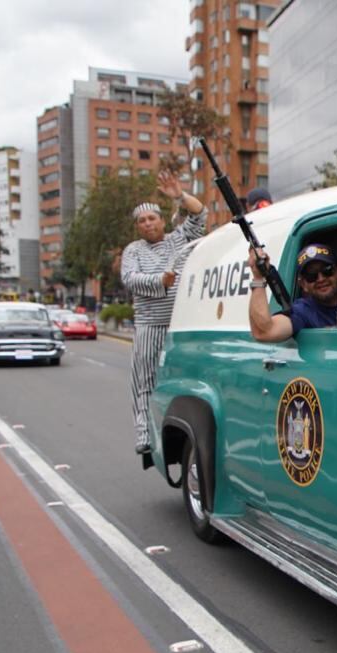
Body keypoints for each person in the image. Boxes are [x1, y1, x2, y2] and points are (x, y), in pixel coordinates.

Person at [121, 170, 207, 455]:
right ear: (138, 227)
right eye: (142, 221)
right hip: (150, 325)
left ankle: (178, 429)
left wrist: (179, 196)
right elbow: (130, 279)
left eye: (152, 218)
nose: (148, 224)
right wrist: (160, 280)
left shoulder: (177, 239)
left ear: (161, 220)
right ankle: (144, 434)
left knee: (183, 380)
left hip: (180, 326)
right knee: (145, 380)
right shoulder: (133, 250)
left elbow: (200, 215)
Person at [247, 243, 337, 343]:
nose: (321, 279)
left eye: (327, 270)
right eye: (311, 276)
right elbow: (264, 332)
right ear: (303, 284)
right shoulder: (304, 311)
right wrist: (258, 277)